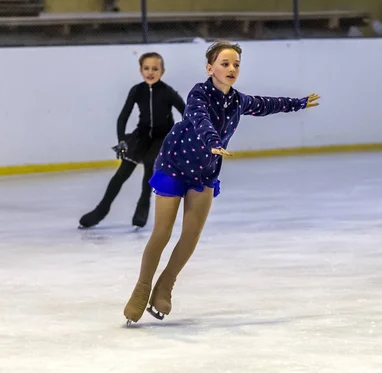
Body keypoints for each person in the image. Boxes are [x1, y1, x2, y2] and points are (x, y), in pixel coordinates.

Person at [123, 40, 320, 324]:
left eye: (236, 65)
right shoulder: (198, 94)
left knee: (191, 234)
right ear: (210, 67)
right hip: (175, 164)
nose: (231, 69)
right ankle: (141, 289)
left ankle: (165, 284)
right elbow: (198, 118)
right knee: (162, 233)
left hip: (204, 172)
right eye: (225, 64)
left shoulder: (238, 100)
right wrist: (213, 141)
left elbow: (267, 104)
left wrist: (298, 104)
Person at [79, 52, 186, 229]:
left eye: (155, 69)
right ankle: (101, 210)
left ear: (162, 71)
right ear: (140, 70)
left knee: (150, 167)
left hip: (162, 137)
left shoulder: (168, 92)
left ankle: (143, 206)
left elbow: (186, 113)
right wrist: (122, 142)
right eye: (146, 68)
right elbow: (123, 117)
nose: (150, 72)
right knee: (121, 174)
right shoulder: (137, 90)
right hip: (141, 135)